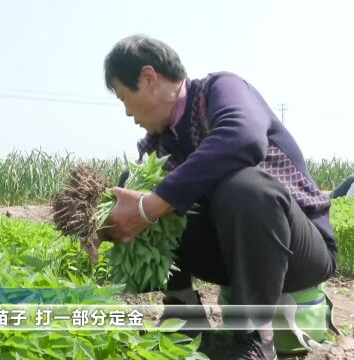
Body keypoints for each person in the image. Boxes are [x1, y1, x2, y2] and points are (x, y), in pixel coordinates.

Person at [103, 35, 336, 359]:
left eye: (123, 97)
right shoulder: (159, 143)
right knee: (135, 185)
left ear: (148, 78)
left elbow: (242, 138)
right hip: (231, 257)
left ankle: (255, 339)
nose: (127, 112)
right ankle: (184, 314)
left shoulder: (220, 90)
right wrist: (101, 226)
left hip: (298, 251)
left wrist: (150, 206)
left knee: (244, 187)